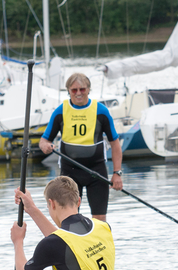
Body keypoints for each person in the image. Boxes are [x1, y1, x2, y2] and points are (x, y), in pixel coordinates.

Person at [39, 73, 123, 221]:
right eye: (74, 90)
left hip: (96, 172)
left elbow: (115, 144)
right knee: (69, 218)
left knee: (99, 220)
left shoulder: (101, 111)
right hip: (69, 174)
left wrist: (117, 173)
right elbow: (44, 140)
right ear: (69, 91)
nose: (78, 93)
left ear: (89, 89)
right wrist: (46, 146)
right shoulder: (60, 111)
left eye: (82, 89)